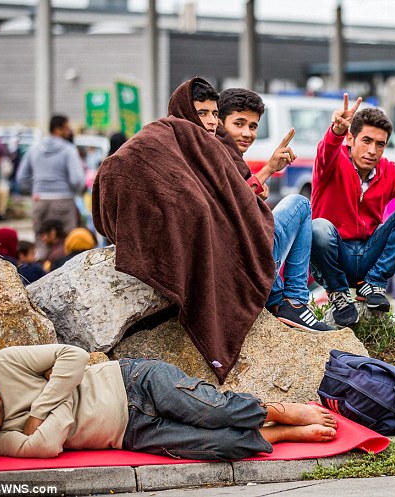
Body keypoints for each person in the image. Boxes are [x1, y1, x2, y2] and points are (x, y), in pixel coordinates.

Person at [93, 78, 276, 383]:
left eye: (213, 114)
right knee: (298, 207)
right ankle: (287, 298)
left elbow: (231, 198)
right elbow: (122, 166)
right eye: (201, 112)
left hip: (234, 237)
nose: (208, 121)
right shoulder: (167, 134)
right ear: (183, 110)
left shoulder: (211, 147)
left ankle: (285, 297)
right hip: (228, 241)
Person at [0, 344, 336, 460]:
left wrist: (40, 412)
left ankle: (274, 410)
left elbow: (73, 356)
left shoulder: (4, 364)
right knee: (217, 445)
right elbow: (48, 445)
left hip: (132, 381)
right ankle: (284, 434)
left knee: (213, 411)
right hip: (131, 432)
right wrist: (61, 395)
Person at [310, 95, 395, 327]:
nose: (372, 150)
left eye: (380, 144)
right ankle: (338, 293)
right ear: (350, 139)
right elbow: (325, 153)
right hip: (333, 257)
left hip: (368, 256)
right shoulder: (331, 163)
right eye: (366, 141)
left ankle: (374, 283)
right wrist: (336, 131)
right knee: (318, 227)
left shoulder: (388, 170)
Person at [217, 88, 333, 332]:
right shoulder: (216, 154)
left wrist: (258, 181)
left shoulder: (230, 156)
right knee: (299, 204)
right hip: (241, 261)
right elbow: (230, 208)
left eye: (253, 126)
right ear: (219, 122)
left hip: (246, 252)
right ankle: (294, 301)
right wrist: (268, 170)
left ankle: (285, 300)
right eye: (239, 123)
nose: (247, 133)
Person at [16, 115, 84, 256]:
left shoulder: (34, 149)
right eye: (66, 128)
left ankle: (42, 273)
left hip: (40, 201)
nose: (69, 131)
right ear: (57, 130)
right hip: (63, 201)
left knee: (41, 246)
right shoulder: (68, 150)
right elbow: (77, 179)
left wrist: (36, 189)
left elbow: (21, 178)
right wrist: (76, 190)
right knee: (66, 246)